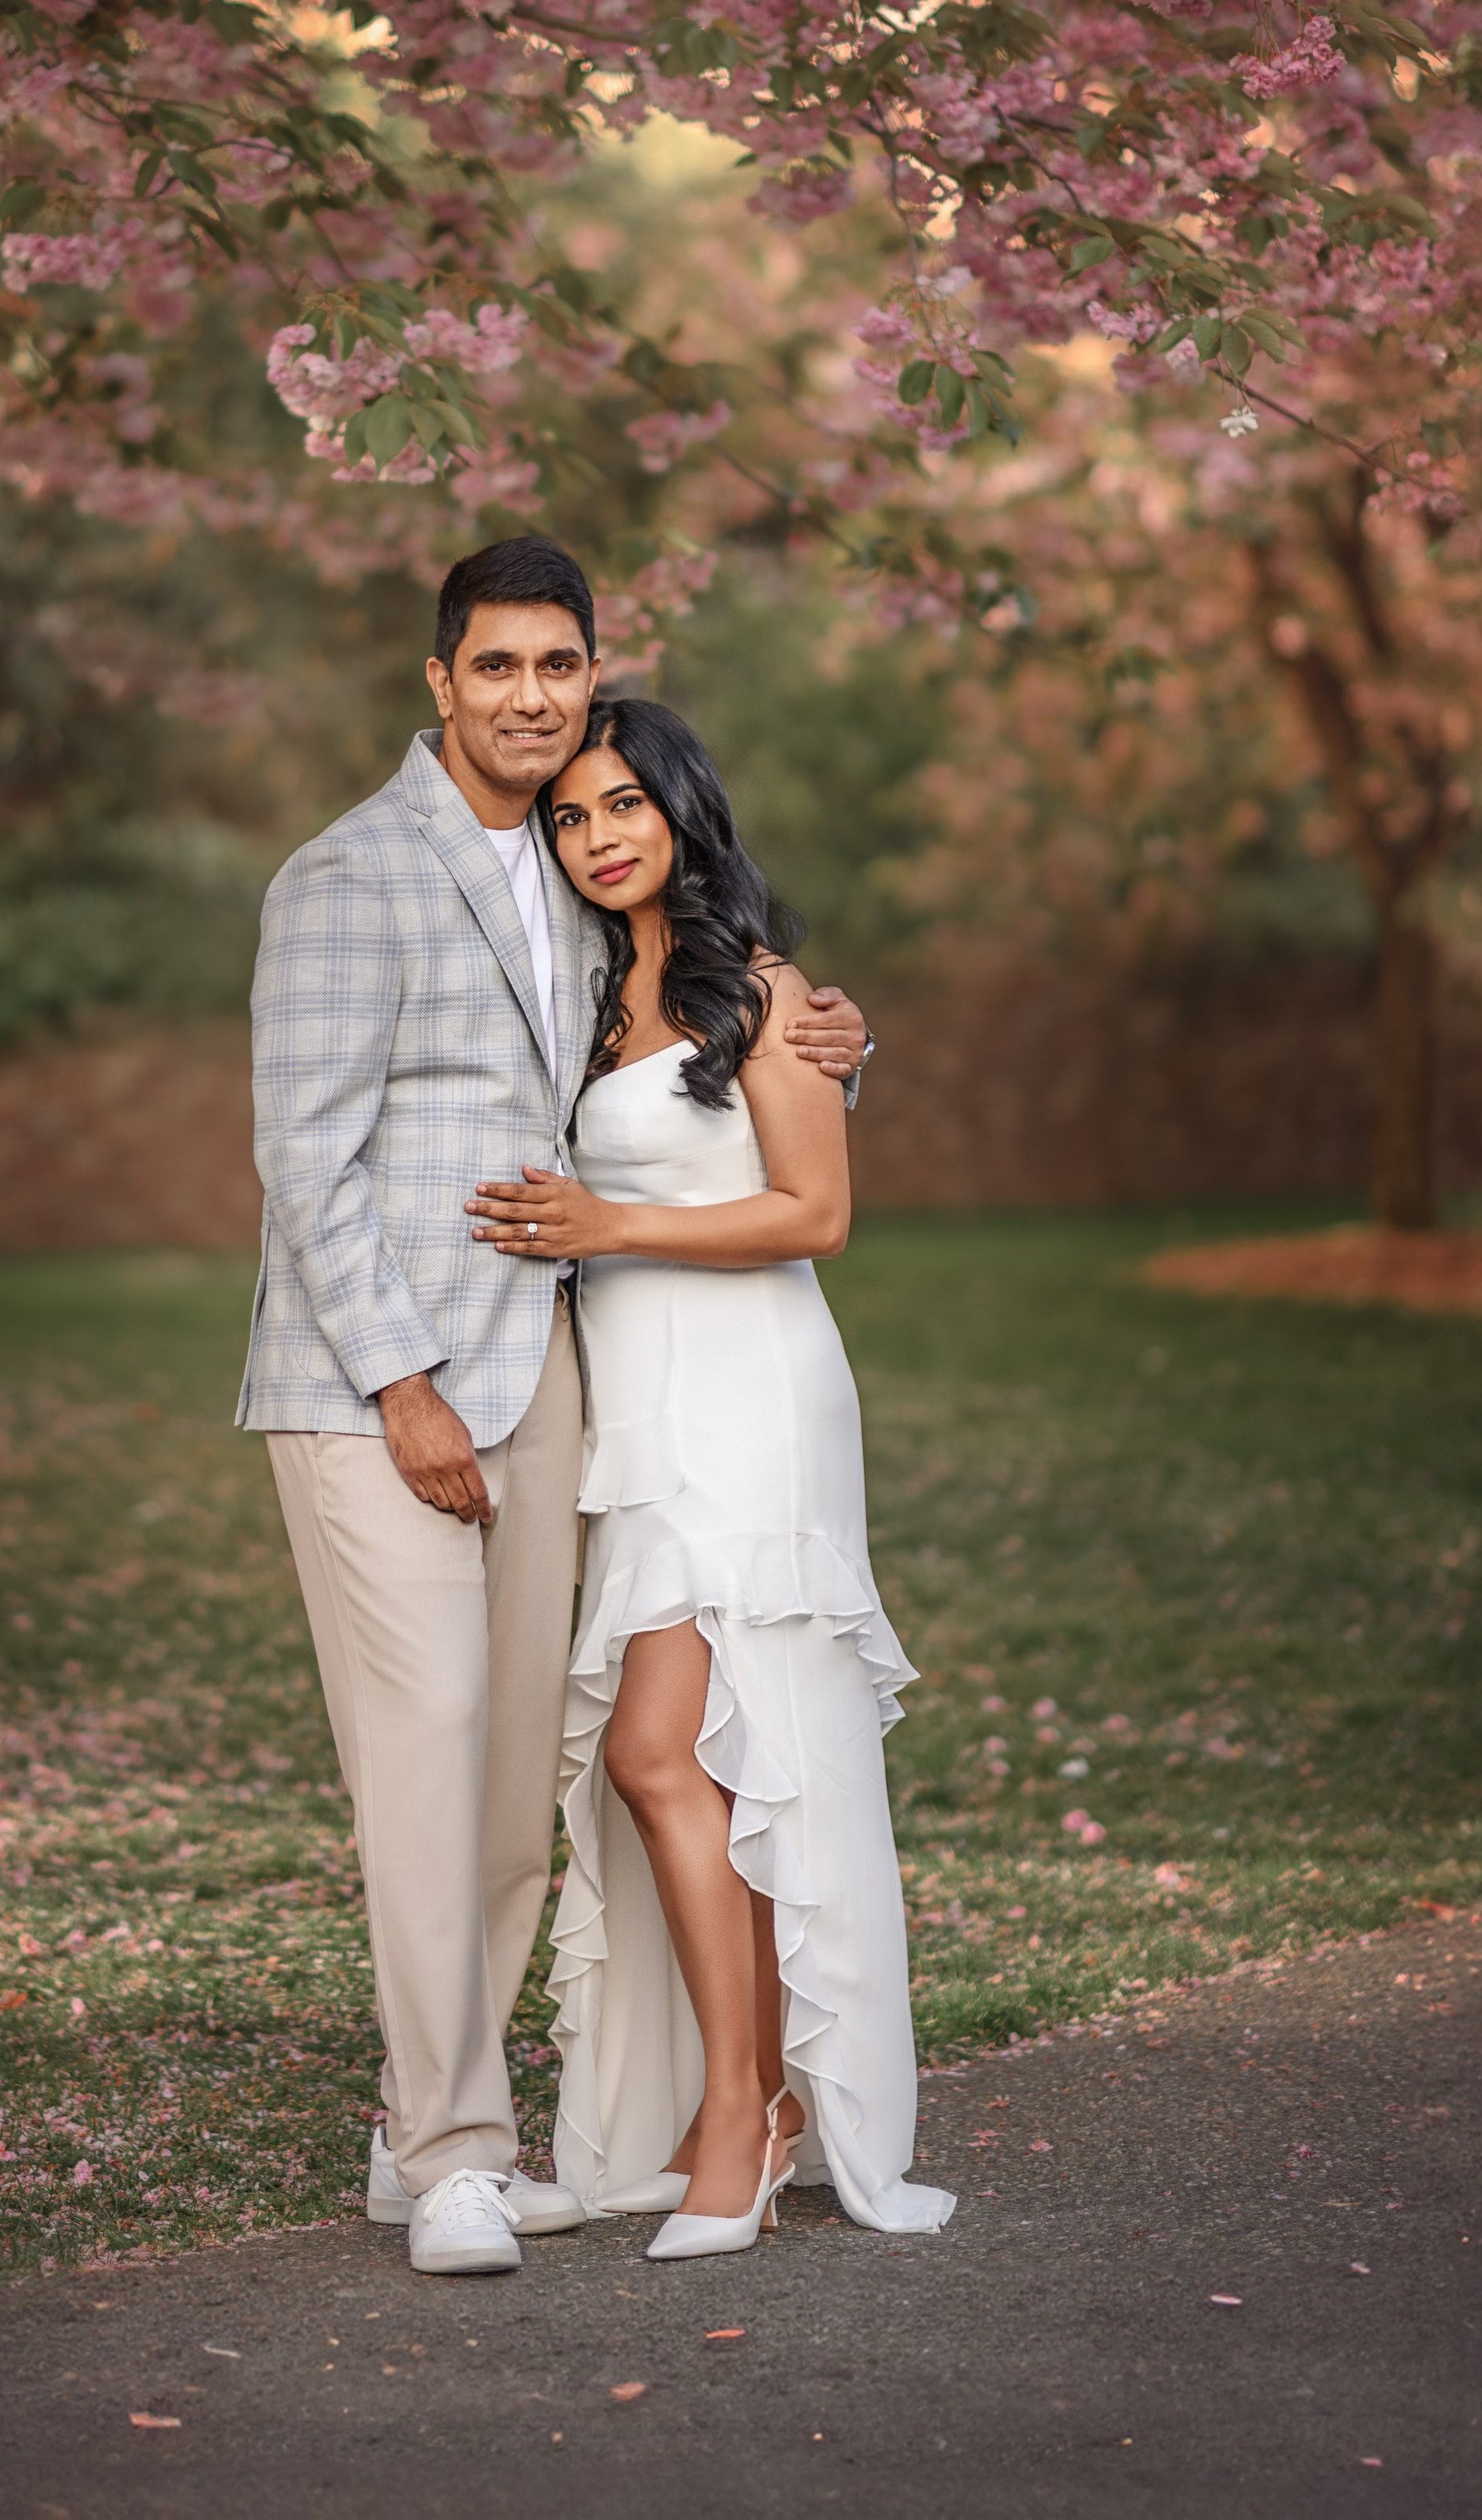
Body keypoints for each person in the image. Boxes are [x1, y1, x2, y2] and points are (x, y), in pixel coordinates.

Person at [239, 538, 872, 2276]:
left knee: (521, 1769)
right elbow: (302, 1154)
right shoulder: (347, 875)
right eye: (494, 667)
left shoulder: (573, 867)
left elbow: (677, 1037)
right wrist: (401, 1385)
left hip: (565, 1393)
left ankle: (409, 2129)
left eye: (556, 667)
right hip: (386, 1390)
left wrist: (823, 1038)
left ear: (591, 676)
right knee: (430, 1751)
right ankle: (456, 2146)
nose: (528, 696)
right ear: (436, 684)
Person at [469, 695, 954, 2258]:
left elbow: (811, 1214)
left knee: (664, 1752)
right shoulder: (579, 997)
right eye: (570, 814)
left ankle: (742, 2113)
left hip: (750, 1389)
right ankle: (743, 2106)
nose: (599, 836)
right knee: (694, 1763)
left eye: (624, 804)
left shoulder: (759, 992)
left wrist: (611, 1226)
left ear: (680, 809)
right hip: (635, 1404)